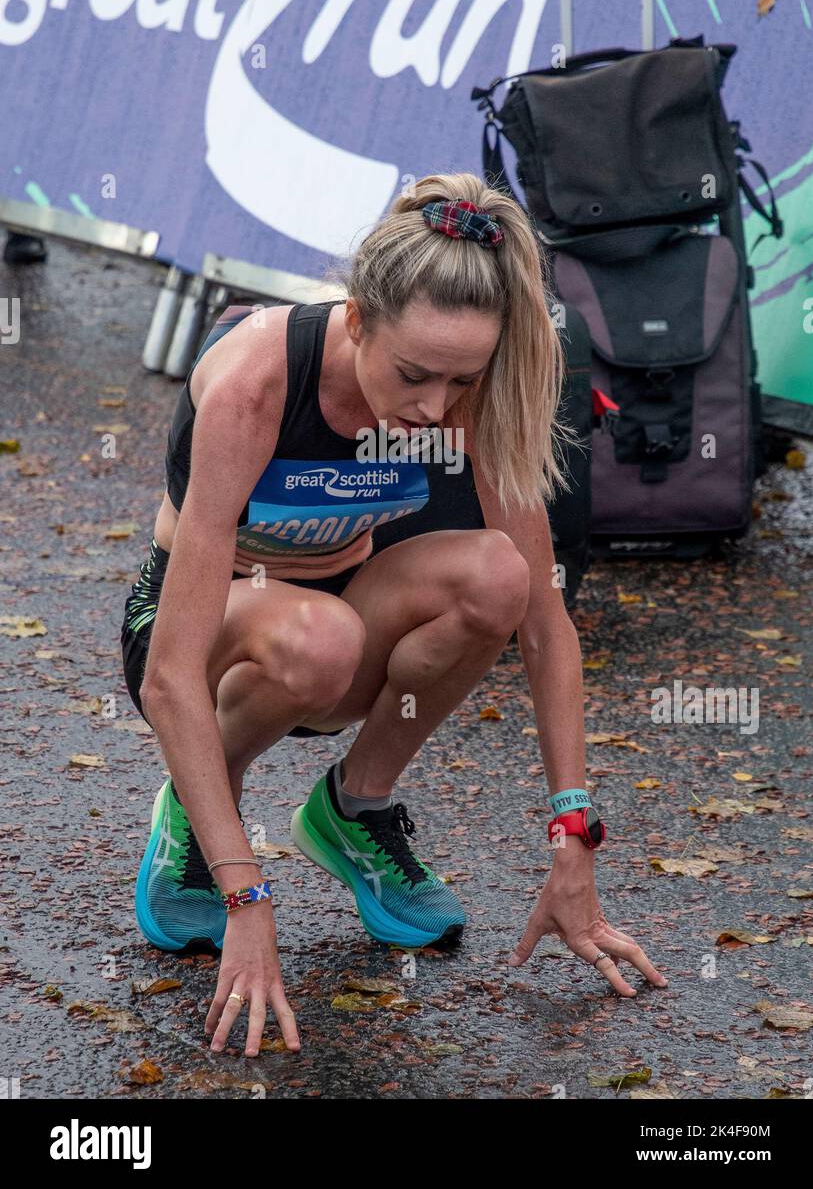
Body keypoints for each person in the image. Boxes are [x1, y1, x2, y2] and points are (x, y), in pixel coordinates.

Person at [120, 171, 667, 1058]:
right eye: (413, 375)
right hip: (211, 633)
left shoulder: (467, 391)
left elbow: (544, 626)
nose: (432, 410)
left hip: (341, 614)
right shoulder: (257, 386)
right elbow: (168, 675)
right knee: (315, 636)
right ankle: (195, 806)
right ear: (356, 318)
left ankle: (353, 808)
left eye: (461, 380)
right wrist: (247, 895)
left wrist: (574, 837)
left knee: (500, 576)